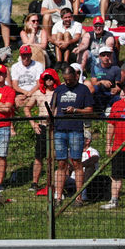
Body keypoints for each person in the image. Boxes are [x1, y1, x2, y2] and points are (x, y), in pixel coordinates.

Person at [52, 66, 94, 206]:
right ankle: (58, 196)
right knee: (61, 163)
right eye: (65, 80)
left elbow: (90, 110)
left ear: (76, 76)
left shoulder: (83, 90)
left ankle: (78, 197)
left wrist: (76, 110)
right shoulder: (59, 90)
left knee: (77, 162)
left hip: (75, 130)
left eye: (70, 80)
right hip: (59, 130)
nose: (68, 82)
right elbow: (53, 108)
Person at [0, 64, 15, 190]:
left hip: (4, 126)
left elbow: (8, 108)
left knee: (1, 155)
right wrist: (1, 105)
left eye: (1, 73)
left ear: (5, 75)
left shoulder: (9, 90)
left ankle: (0, 181)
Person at [102, 89, 125, 209]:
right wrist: (108, 144)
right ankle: (114, 200)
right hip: (119, 147)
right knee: (116, 175)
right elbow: (111, 125)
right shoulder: (117, 105)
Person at [85, 46, 121, 113]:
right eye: (103, 55)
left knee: (119, 98)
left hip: (111, 93)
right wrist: (101, 82)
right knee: (95, 88)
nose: (106, 57)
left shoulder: (116, 68)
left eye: (108, 55)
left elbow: (118, 85)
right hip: (100, 92)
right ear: (100, 56)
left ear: (111, 56)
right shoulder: (95, 67)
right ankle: (98, 110)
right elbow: (93, 83)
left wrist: (116, 89)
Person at [11, 45, 45, 110]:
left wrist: (31, 92)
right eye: (24, 55)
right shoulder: (15, 66)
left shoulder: (38, 65)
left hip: (35, 91)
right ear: (20, 55)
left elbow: (39, 83)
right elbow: (15, 85)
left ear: (31, 55)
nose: (26, 58)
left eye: (28, 55)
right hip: (21, 92)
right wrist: (25, 92)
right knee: (17, 102)